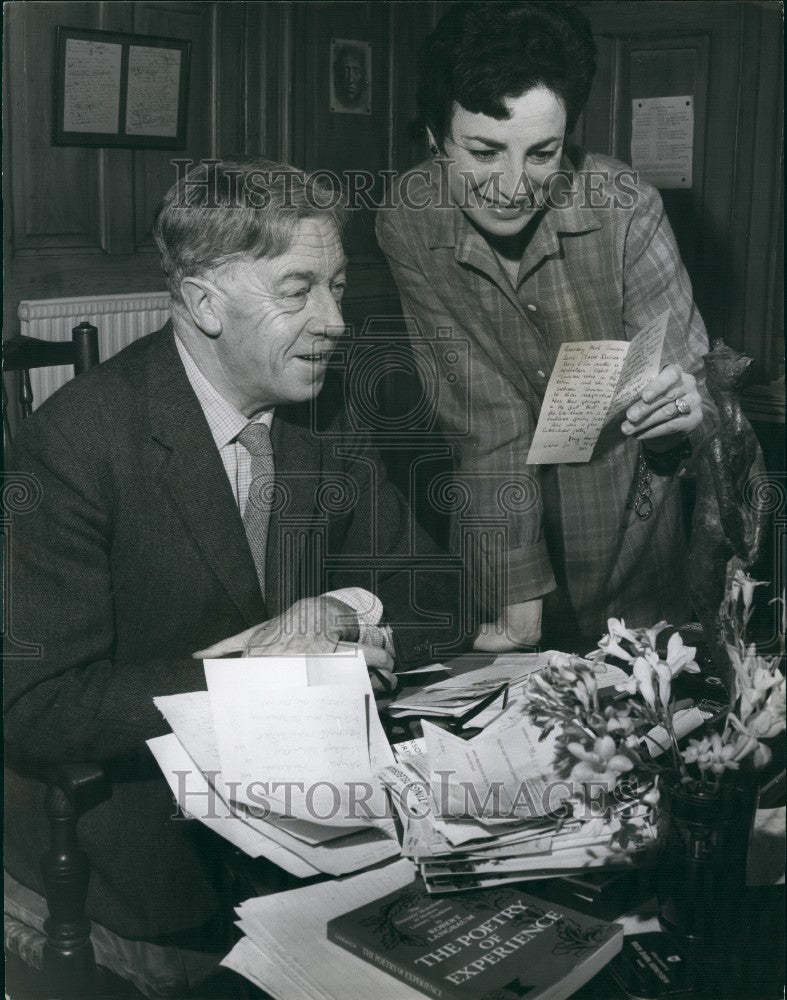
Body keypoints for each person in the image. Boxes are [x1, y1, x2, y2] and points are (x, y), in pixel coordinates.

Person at [4, 157, 460, 995]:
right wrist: (252, 678)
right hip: (145, 857)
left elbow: (436, 596)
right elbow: (34, 709)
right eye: (297, 290)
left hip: (322, 828)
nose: (334, 320)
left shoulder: (329, 410)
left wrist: (343, 606)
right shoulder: (74, 445)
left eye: (337, 284)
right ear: (205, 303)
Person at [376, 0, 716, 651]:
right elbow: (483, 421)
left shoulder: (625, 207)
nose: (512, 185)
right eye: (482, 151)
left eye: (541, 153)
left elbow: (692, 383)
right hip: (497, 518)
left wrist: (683, 409)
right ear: (433, 137)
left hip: (631, 523)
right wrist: (517, 605)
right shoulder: (407, 222)